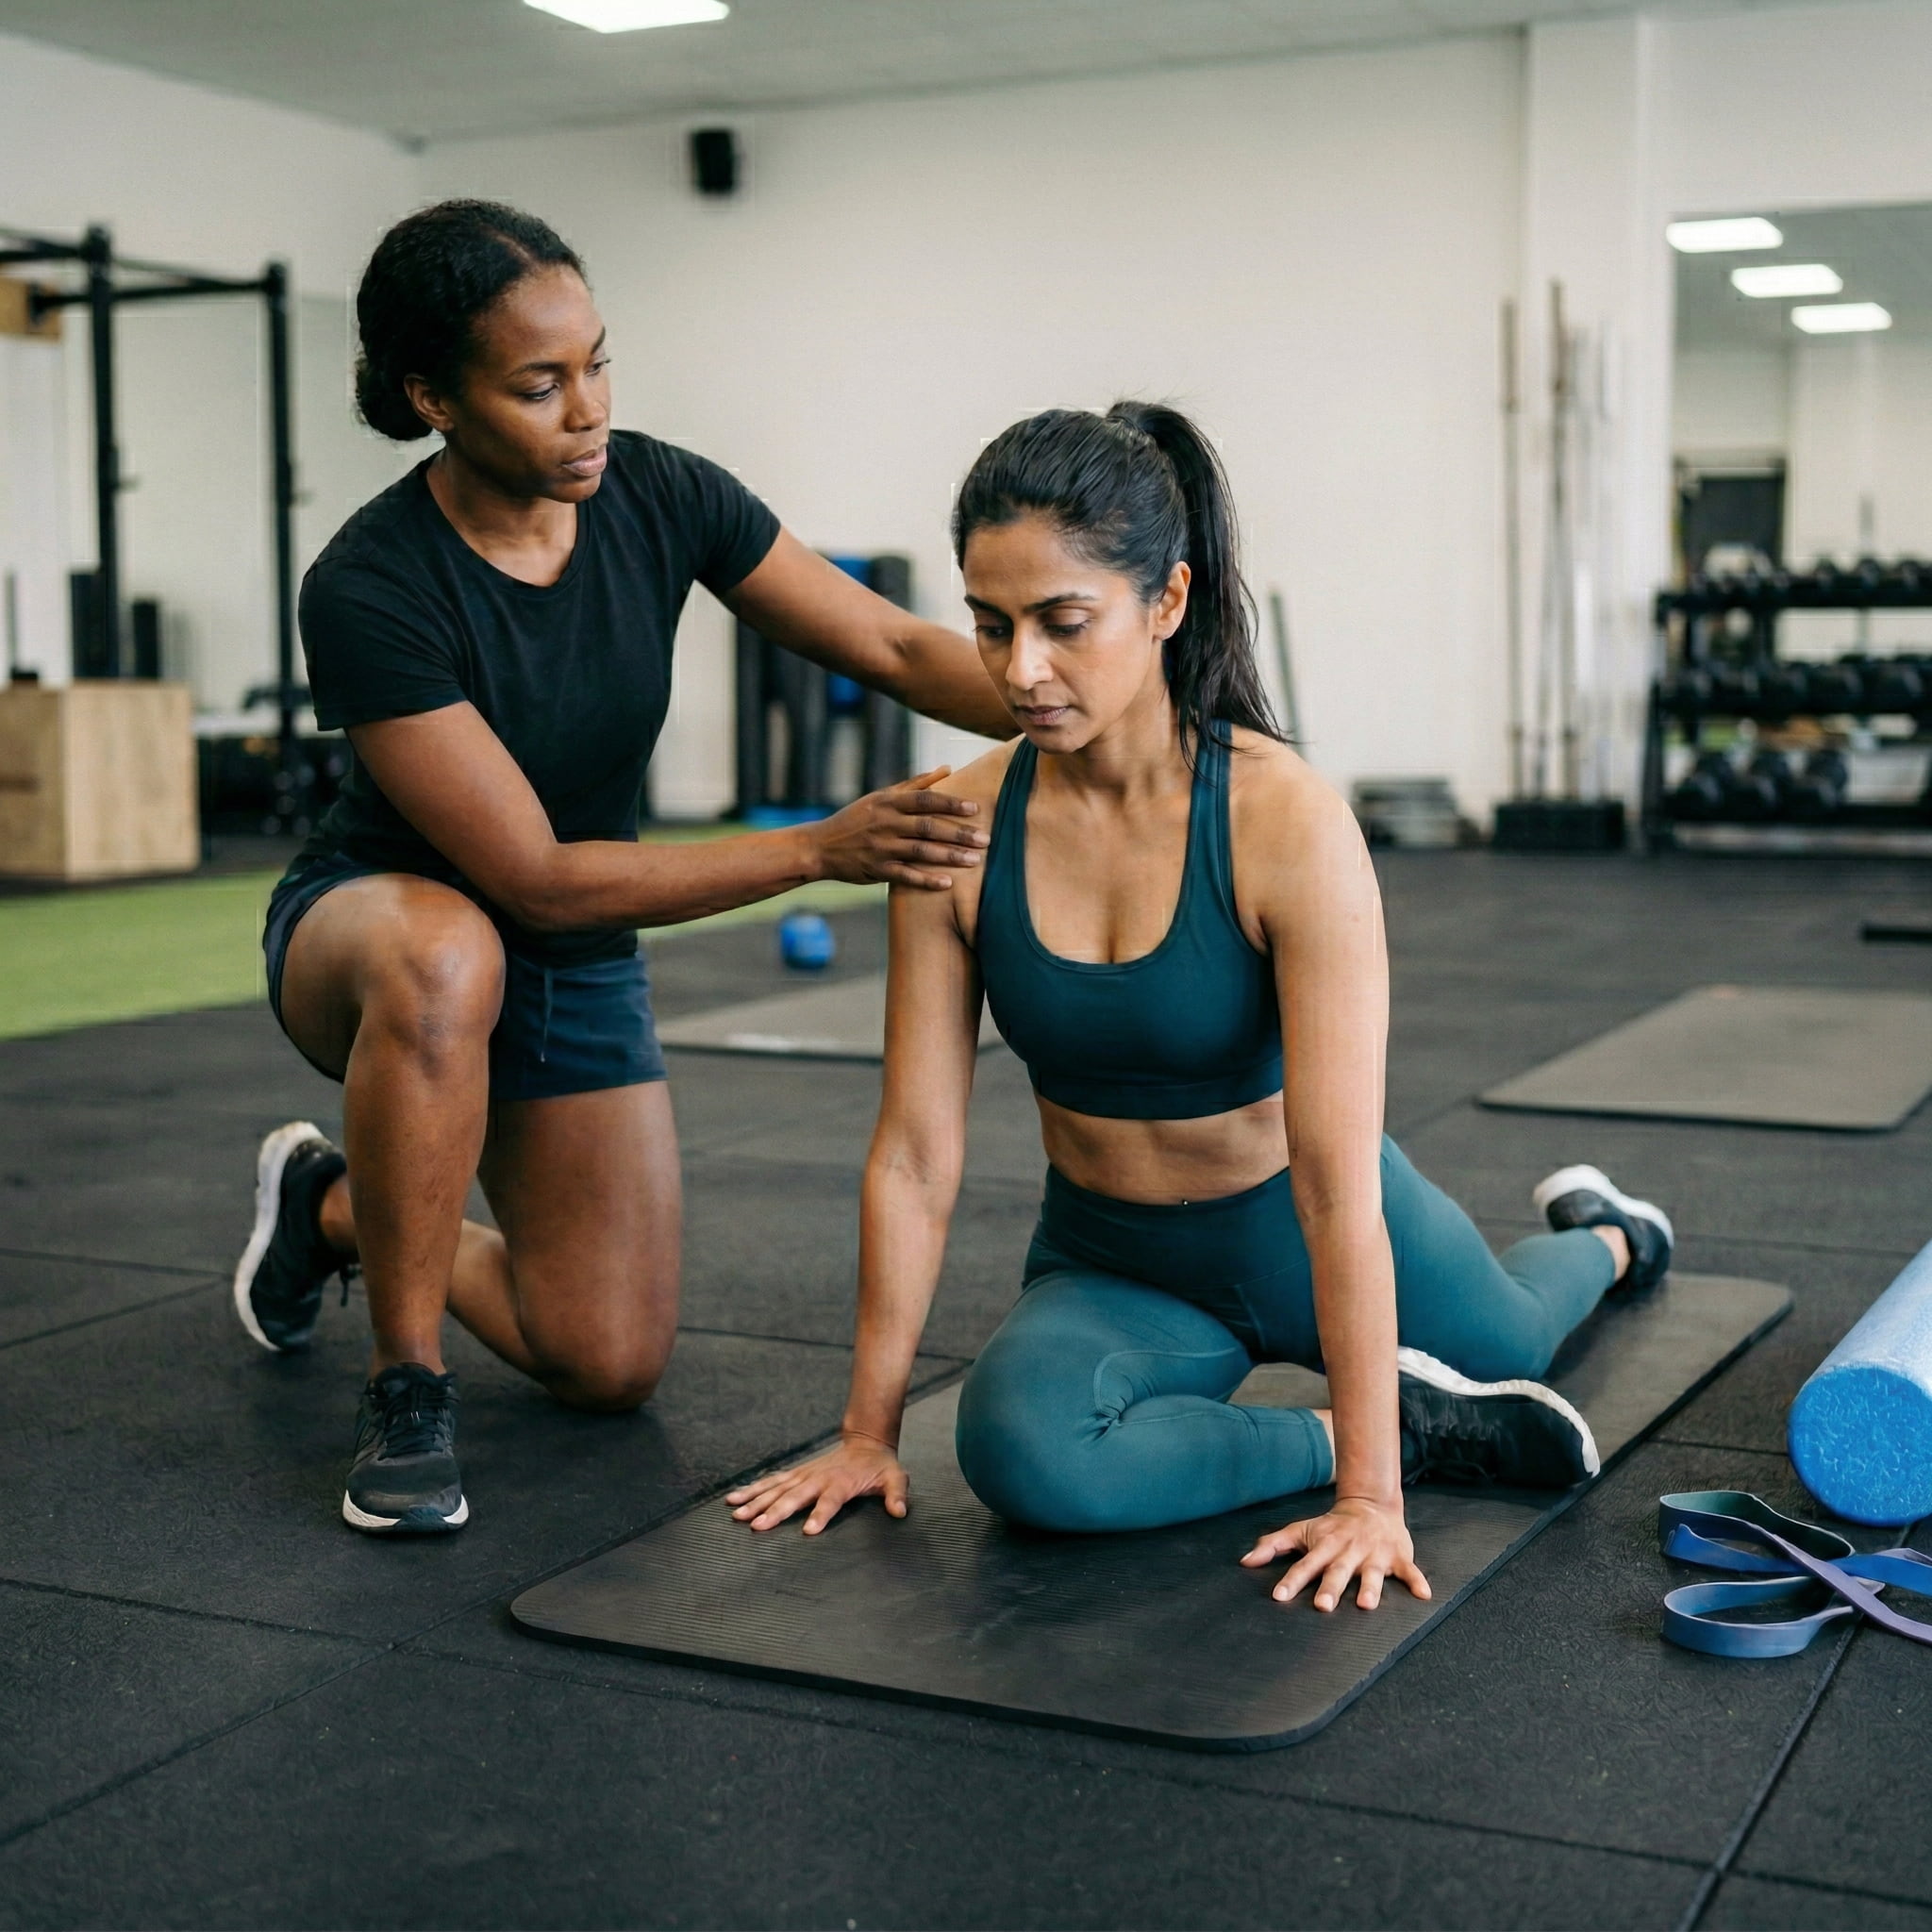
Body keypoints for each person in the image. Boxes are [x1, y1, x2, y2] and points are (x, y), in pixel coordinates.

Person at [725, 401, 1674, 1615]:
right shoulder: (952, 827)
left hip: (1299, 1213)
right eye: (989, 624)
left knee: (1513, 1343)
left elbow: (1333, 1183)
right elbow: (914, 1155)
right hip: (1116, 1258)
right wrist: (865, 1432)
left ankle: (1605, 1230)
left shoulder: (1285, 821)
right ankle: (1388, 1425)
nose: (1020, 669)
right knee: (1021, 1451)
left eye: (1064, 623)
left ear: (1166, 601)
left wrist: (1372, 1511)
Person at [231, 200, 1012, 1537]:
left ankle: (336, 1205)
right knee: (448, 953)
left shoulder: (661, 491)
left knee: (604, 1362)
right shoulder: (370, 583)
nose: (587, 408)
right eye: (540, 385)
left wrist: (1087, 691)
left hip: (570, 946)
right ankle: (406, 1385)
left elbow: (892, 649)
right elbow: (526, 877)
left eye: (598, 363)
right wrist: (820, 850)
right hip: (375, 932)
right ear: (433, 397)